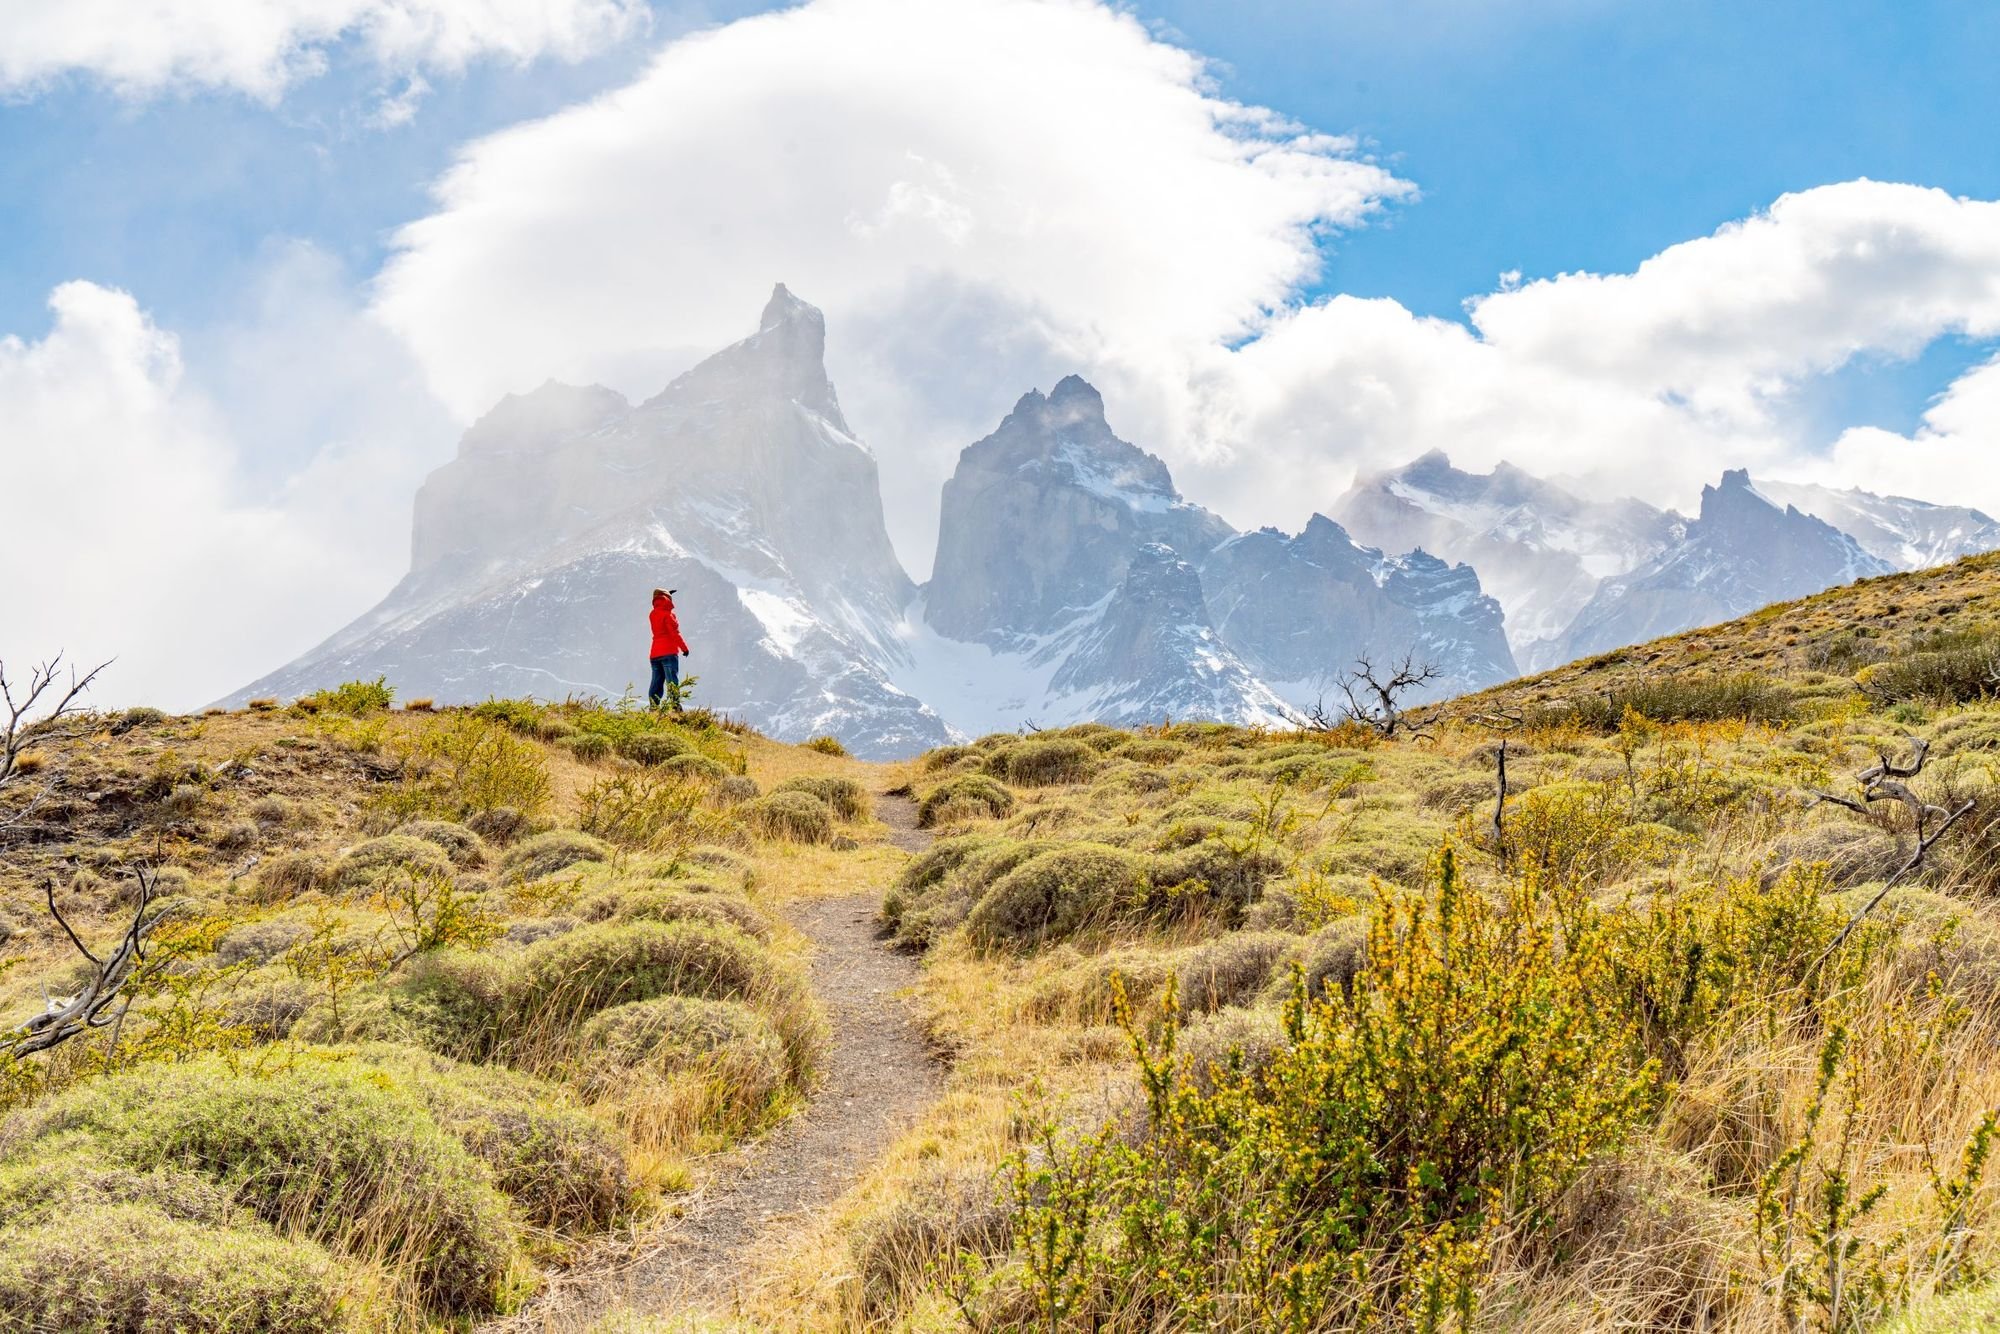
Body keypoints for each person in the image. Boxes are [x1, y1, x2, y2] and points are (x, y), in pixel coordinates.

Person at [648, 588, 690, 709]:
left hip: (655, 653)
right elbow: (674, 633)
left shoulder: (652, 614)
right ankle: (675, 707)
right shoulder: (668, 615)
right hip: (669, 653)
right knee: (672, 681)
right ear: (667, 599)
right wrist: (684, 648)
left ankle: (653, 708)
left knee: (656, 682)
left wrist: (666, 594)